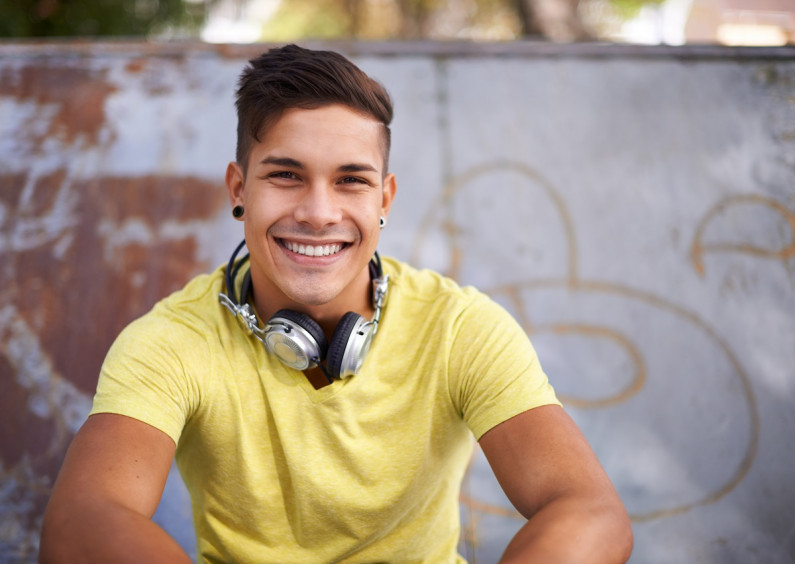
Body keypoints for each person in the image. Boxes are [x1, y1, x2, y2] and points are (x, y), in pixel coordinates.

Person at [40, 44, 633, 563]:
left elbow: (589, 512)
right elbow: (81, 525)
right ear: (238, 190)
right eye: (287, 175)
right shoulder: (170, 341)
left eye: (351, 179)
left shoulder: (460, 328)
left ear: (385, 197)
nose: (320, 213)